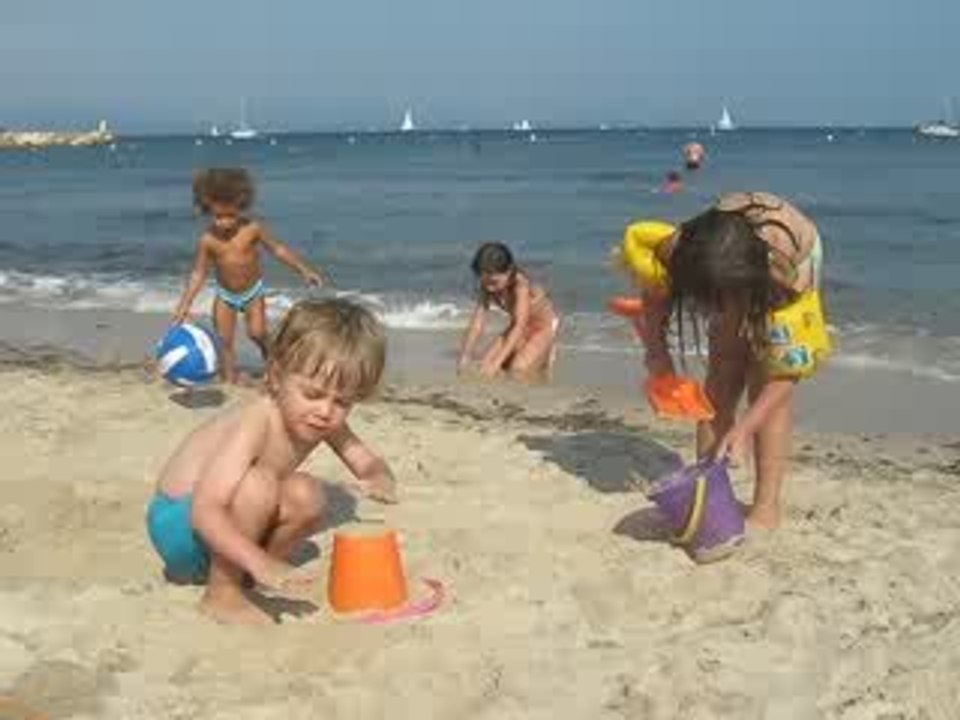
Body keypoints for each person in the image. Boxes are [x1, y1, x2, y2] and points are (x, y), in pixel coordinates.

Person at [146, 298, 397, 624]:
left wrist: (380, 478)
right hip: (180, 528)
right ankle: (223, 595)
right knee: (259, 482)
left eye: (343, 402)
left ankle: (247, 580)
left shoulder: (322, 419)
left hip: (221, 532)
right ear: (277, 376)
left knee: (308, 495)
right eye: (313, 394)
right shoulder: (257, 419)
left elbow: (367, 462)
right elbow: (204, 511)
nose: (325, 411)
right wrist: (258, 560)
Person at [637, 192, 829, 530]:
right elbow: (653, 297)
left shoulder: (787, 271)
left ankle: (766, 507)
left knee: (764, 382)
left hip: (783, 263)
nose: (720, 309)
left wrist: (744, 429)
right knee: (722, 372)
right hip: (725, 256)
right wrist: (657, 355)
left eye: (727, 299)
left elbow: (786, 375)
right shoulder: (685, 250)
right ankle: (708, 493)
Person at [172, 168, 330, 384]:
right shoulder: (208, 240)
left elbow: (278, 250)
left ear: (241, 206)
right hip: (225, 295)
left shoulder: (252, 229)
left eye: (230, 216)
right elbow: (198, 273)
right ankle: (230, 378)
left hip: (252, 293)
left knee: (257, 333)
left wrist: (304, 270)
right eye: (218, 216)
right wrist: (184, 304)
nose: (224, 222)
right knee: (224, 340)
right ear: (207, 209)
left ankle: (274, 364)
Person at [458, 242, 560, 381]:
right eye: (485, 282)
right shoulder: (487, 285)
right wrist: (465, 356)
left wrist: (497, 363)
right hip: (518, 326)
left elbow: (520, 325)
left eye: (494, 282)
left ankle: (546, 354)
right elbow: (478, 322)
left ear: (509, 271)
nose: (490, 288)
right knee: (485, 364)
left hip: (542, 327)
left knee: (517, 369)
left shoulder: (520, 285)